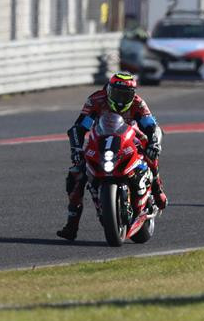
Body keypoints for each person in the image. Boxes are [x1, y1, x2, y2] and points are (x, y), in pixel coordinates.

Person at [58, 71, 167, 241]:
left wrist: (153, 142)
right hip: (101, 141)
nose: (121, 99)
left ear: (133, 94)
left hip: (131, 139)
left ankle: (158, 189)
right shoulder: (96, 100)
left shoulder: (138, 103)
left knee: (149, 151)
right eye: (117, 93)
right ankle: (72, 224)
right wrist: (76, 150)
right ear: (109, 90)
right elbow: (78, 128)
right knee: (76, 173)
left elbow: (150, 125)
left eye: (126, 95)